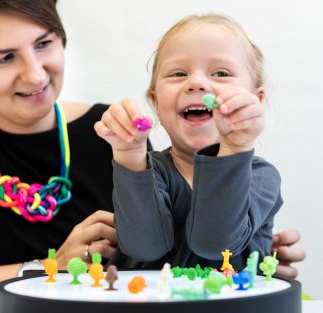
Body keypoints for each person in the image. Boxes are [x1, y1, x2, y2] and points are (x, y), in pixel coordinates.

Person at [0, 2, 304, 299]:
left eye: (44, 44)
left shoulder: (116, 133)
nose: (35, 73)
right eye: (4, 57)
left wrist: (252, 253)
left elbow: (174, 252)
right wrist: (48, 267)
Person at [95, 13, 296, 271]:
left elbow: (217, 244)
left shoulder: (262, 177)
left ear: (255, 100)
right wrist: (129, 152)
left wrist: (234, 147)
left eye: (221, 73)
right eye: (178, 73)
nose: (197, 83)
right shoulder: (146, 170)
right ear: (156, 103)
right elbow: (143, 246)